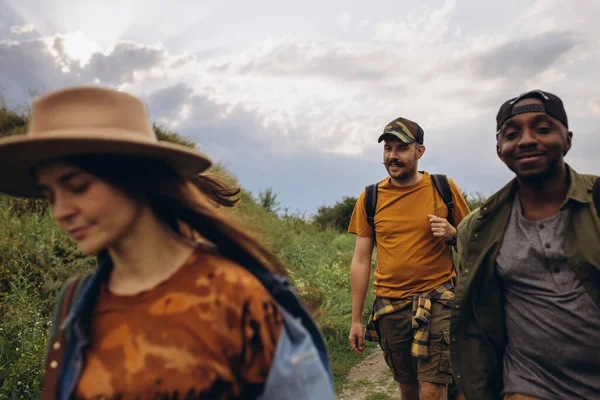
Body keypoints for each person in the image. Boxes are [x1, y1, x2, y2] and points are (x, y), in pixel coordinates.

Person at [0, 86, 334, 399]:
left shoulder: (236, 296)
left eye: (77, 186)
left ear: (135, 177)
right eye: (49, 195)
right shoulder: (76, 303)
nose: (60, 211)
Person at [450, 90, 600, 400]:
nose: (527, 140)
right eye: (512, 134)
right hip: (531, 383)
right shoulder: (477, 229)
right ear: (499, 149)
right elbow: (475, 321)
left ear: (568, 139)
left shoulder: (597, 201)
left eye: (542, 129)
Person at [347, 117, 471, 400]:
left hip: (439, 298)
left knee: (432, 390)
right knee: (409, 389)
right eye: (388, 148)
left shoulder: (443, 187)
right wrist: (356, 320)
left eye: (401, 148)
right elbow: (361, 260)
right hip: (391, 306)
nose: (393, 156)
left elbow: (476, 243)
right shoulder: (371, 197)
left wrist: (453, 234)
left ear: (419, 151)